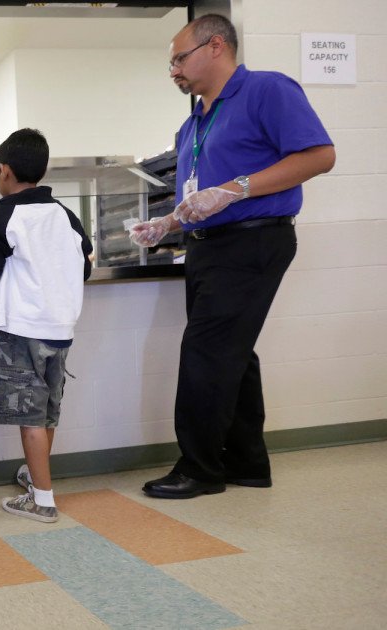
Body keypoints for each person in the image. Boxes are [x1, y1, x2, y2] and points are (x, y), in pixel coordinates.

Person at [130, 14, 335, 499]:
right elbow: (198, 197)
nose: (174, 71)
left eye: (180, 59)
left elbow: (320, 156)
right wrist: (167, 223)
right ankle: (247, 462)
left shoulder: (267, 90)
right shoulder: (192, 124)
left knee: (206, 351)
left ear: (216, 46)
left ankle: (200, 469)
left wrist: (236, 188)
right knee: (231, 352)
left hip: (252, 240)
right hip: (206, 247)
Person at [0, 129, 92, 523]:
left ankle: (43, 501)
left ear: (4, 170)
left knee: (29, 417)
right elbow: (84, 268)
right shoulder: (66, 216)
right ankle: (38, 481)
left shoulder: (0, 215)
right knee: (47, 414)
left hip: (21, 329)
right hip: (60, 330)